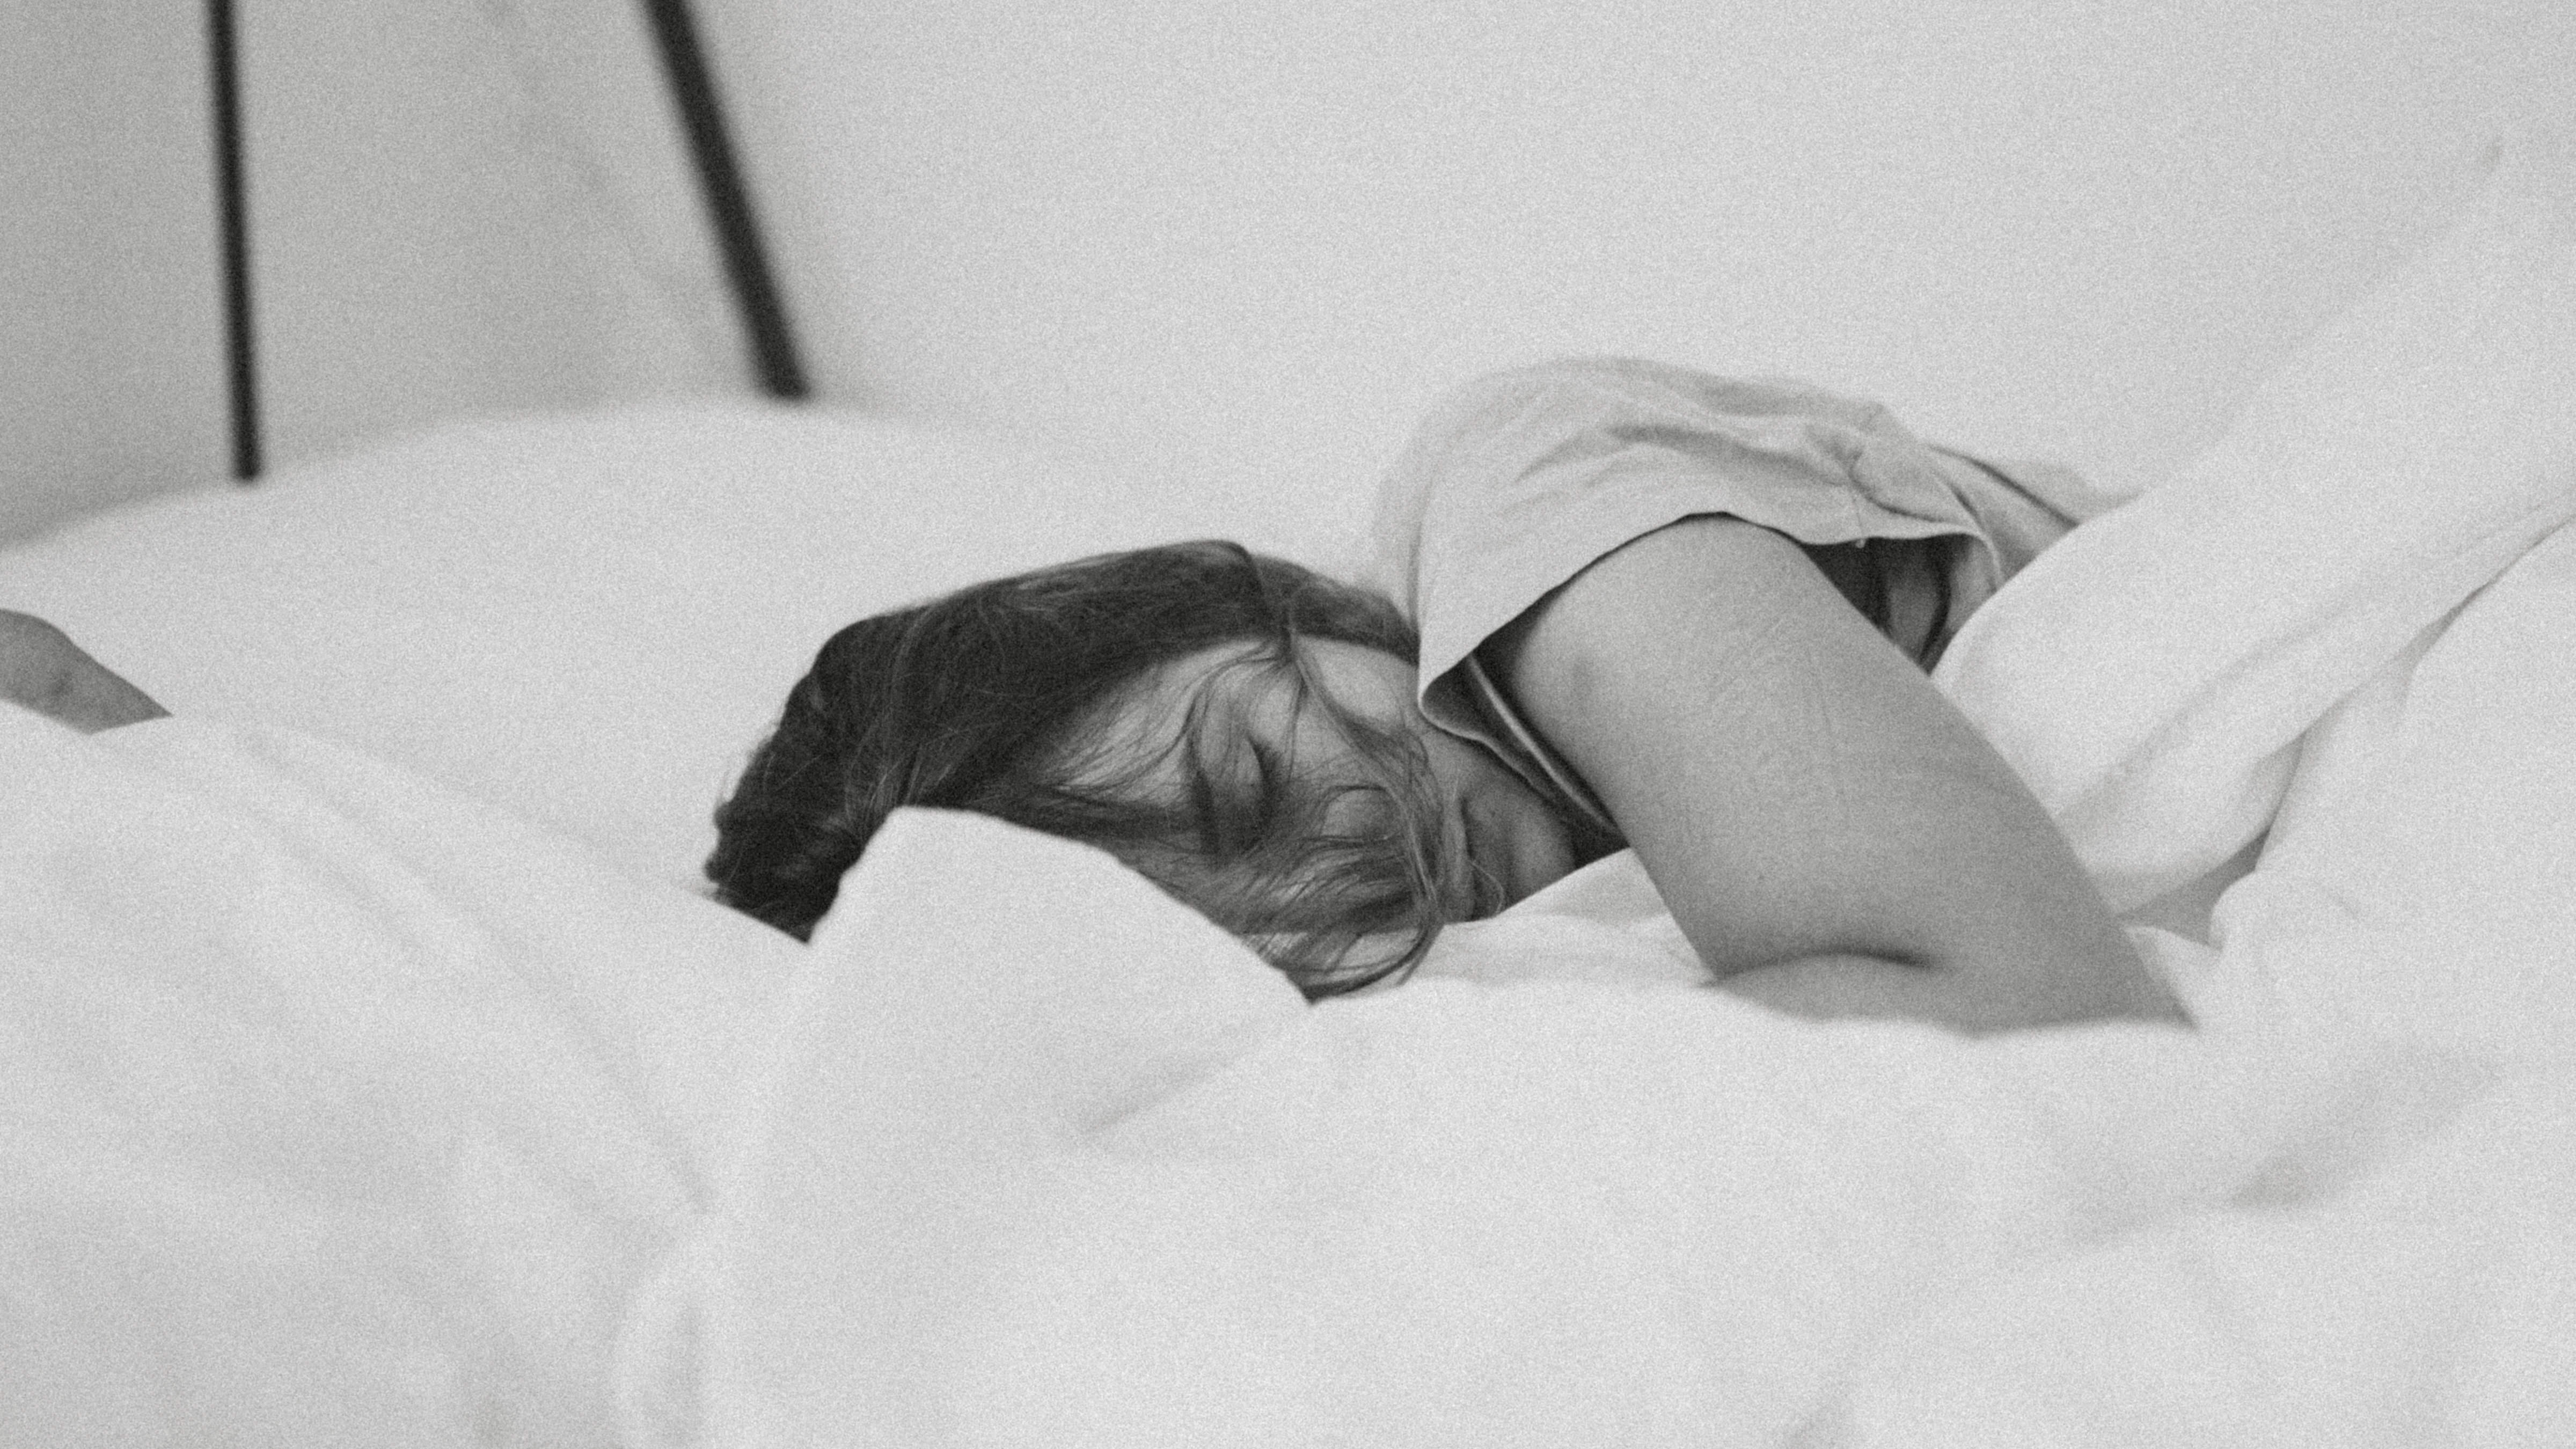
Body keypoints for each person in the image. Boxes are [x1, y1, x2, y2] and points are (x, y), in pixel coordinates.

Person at [713, 357, 2184, 1031]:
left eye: (1252, 783)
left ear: (1256, 604)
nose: (1358, 877)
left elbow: (2050, 1013)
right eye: (1260, 951)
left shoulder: (1529, 510)